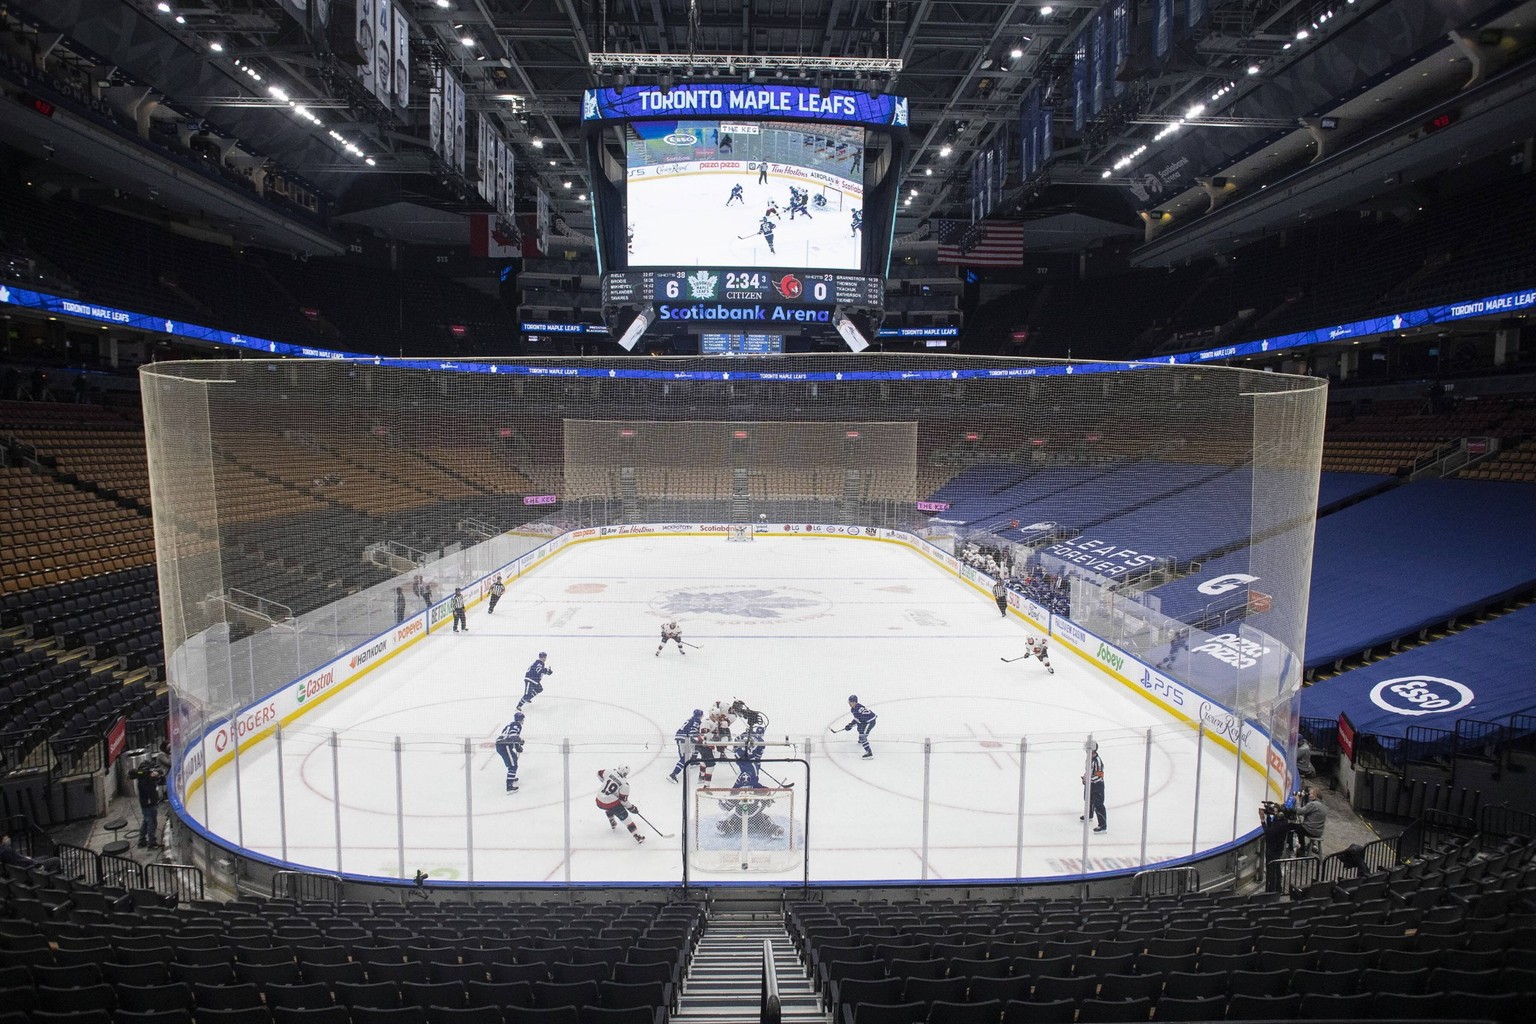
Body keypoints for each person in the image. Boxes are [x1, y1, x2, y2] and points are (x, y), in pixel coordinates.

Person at [715, 770, 783, 838]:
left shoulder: (735, 791)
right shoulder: (759, 789)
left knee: (733, 819)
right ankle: (773, 829)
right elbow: (767, 801)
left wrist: (721, 803)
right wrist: (769, 800)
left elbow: (727, 807)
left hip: (740, 816)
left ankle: (724, 827)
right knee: (765, 819)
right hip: (755, 816)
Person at [595, 765, 646, 844]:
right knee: (626, 818)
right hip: (610, 803)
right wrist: (631, 808)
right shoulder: (625, 785)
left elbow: (598, 773)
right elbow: (623, 801)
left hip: (598, 800)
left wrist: (604, 781)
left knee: (610, 805)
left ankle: (612, 820)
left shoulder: (610, 771)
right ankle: (637, 835)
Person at [129, 757, 167, 849]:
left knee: (146, 821)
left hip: (146, 803)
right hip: (149, 804)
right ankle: (151, 843)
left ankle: (142, 840)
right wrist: (153, 778)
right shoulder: (145, 779)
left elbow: (160, 780)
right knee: (152, 823)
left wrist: (156, 777)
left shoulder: (145, 778)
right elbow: (150, 790)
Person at [669, 708, 704, 782]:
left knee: (697, 746)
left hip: (682, 737)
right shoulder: (697, 720)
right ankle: (673, 775)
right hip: (683, 739)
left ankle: (693, 760)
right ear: (700, 715)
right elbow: (692, 731)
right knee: (684, 758)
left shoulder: (691, 719)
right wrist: (696, 739)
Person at [1290, 786, 1327, 855]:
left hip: (1311, 830)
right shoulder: (1323, 805)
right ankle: (1307, 846)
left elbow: (1299, 811)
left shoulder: (1313, 804)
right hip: (1319, 831)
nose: (1309, 795)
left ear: (1316, 795)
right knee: (1300, 827)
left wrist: (1298, 800)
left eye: (1311, 794)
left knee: (1297, 828)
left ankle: (1301, 849)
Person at [494, 712, 525, 792]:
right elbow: (513, 736)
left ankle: (511, 776)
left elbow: (510, 737)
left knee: (513, 758)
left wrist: (518, 746)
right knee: (513, 765)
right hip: (504, 745)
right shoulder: (516, 725)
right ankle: (509, 786)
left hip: (502, 744)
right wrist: (519, 741)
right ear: (521, 719)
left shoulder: (508, 725)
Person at [1080, 741, 1106, 832]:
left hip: (1097, 786)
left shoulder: (1097, 761)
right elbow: (1088, 771)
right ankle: (1089, 815)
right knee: (1088, 800)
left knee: (1098, 804)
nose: (1086, 751)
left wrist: (1088, 780)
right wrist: (1085, 777)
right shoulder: (1089, 759)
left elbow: (1099, 776)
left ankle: (1102, 825)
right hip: (1089, 784)